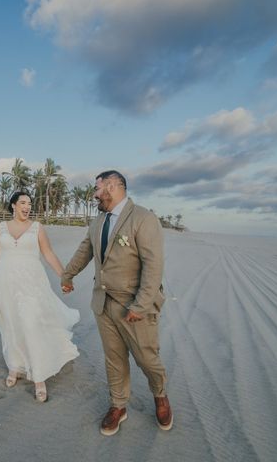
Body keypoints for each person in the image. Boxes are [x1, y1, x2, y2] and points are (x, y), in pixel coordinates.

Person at [61, 170, 172, 435]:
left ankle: (160, 395)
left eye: (97, 188)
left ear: (113, 186)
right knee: (114, 358)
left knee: (147, 358)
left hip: (134, 306)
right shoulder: (98, 220)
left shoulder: (144, 218)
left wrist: (141, 305)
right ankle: (118, 406)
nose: (95, 194)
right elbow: (85, 250)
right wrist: (68, 274)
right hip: (103, 303)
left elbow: (153, 266)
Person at [0, 191, 79, 402]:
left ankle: (39, 377)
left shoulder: (37, 228)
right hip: (5, 284)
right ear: (13, 205)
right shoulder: (1, 228)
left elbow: (48, 253)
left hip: (32, 284)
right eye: (22, 202)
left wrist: (64, 277)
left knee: (31, 325)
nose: (27, 207)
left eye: (29, 203)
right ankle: (16, 367)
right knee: (12, 325)